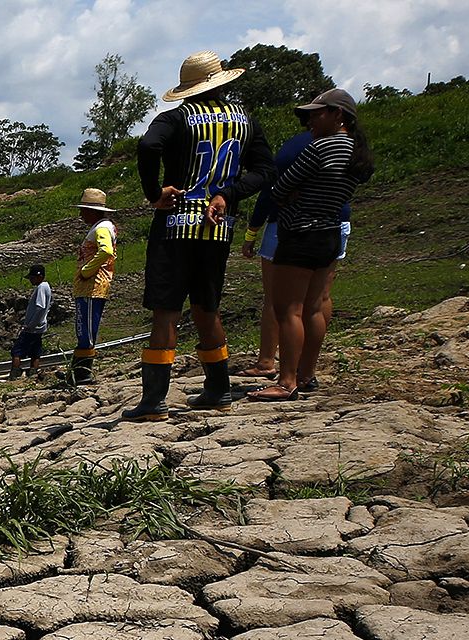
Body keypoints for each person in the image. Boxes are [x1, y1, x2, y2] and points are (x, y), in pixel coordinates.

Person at [124, 50, 274, 422]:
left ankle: (154, 401)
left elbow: (148, 146)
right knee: (207, 307)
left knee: (166, 310)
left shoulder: (176, 118)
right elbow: (264, 171)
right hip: (217, 228)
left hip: (175, 225)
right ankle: (219, 391)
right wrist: (228, 195)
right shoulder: (245, 121)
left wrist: (154, 192)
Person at [251, 88, 374, 402]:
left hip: (300, 233)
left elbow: (280, 189)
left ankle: (286, 380)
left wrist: (292, 194)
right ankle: (306, 374)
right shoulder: (355, 150)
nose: (310, 122)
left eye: (316, 114)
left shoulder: (320, 148)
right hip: (330, 232)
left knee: (288, 309)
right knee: (315, 307)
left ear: (337, 114)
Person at [71, 188, 118, 383]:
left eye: (83, 210)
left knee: (86, 330)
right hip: (89, 286)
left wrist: (86, 271)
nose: (81, 214)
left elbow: (106, 251)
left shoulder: (101, 228)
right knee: (84, 328)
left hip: (92, 285)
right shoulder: (101, 227)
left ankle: (82, 373)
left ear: (92, 211)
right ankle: (77, 372)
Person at [11, 266, 52, 379]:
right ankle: (33, 371)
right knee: (35, 350)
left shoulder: (41, 287)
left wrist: (31, 324)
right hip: (39, 326)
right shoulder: (46, 287)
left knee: (17, 350)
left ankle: (15, 372)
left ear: (40, 277)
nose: (31, 280)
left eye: (32, 278)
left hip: (33, 327)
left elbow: (40, 307)